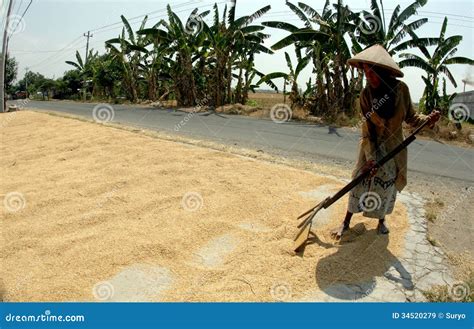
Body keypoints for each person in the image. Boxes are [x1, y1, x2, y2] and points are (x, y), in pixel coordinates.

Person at [332, 44, 440, 240]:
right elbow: (366, 130)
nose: (369, 78)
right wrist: (371, 159)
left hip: (394, 147)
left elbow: (412, 118)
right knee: (359, 179)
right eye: (366, 74)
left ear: (383, 73)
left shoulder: (401, 91)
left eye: (373, 74)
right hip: (369, 144)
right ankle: (346, 221)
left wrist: (428, 120)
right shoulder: (365, 96)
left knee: (387, 184)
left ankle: (381, 221)